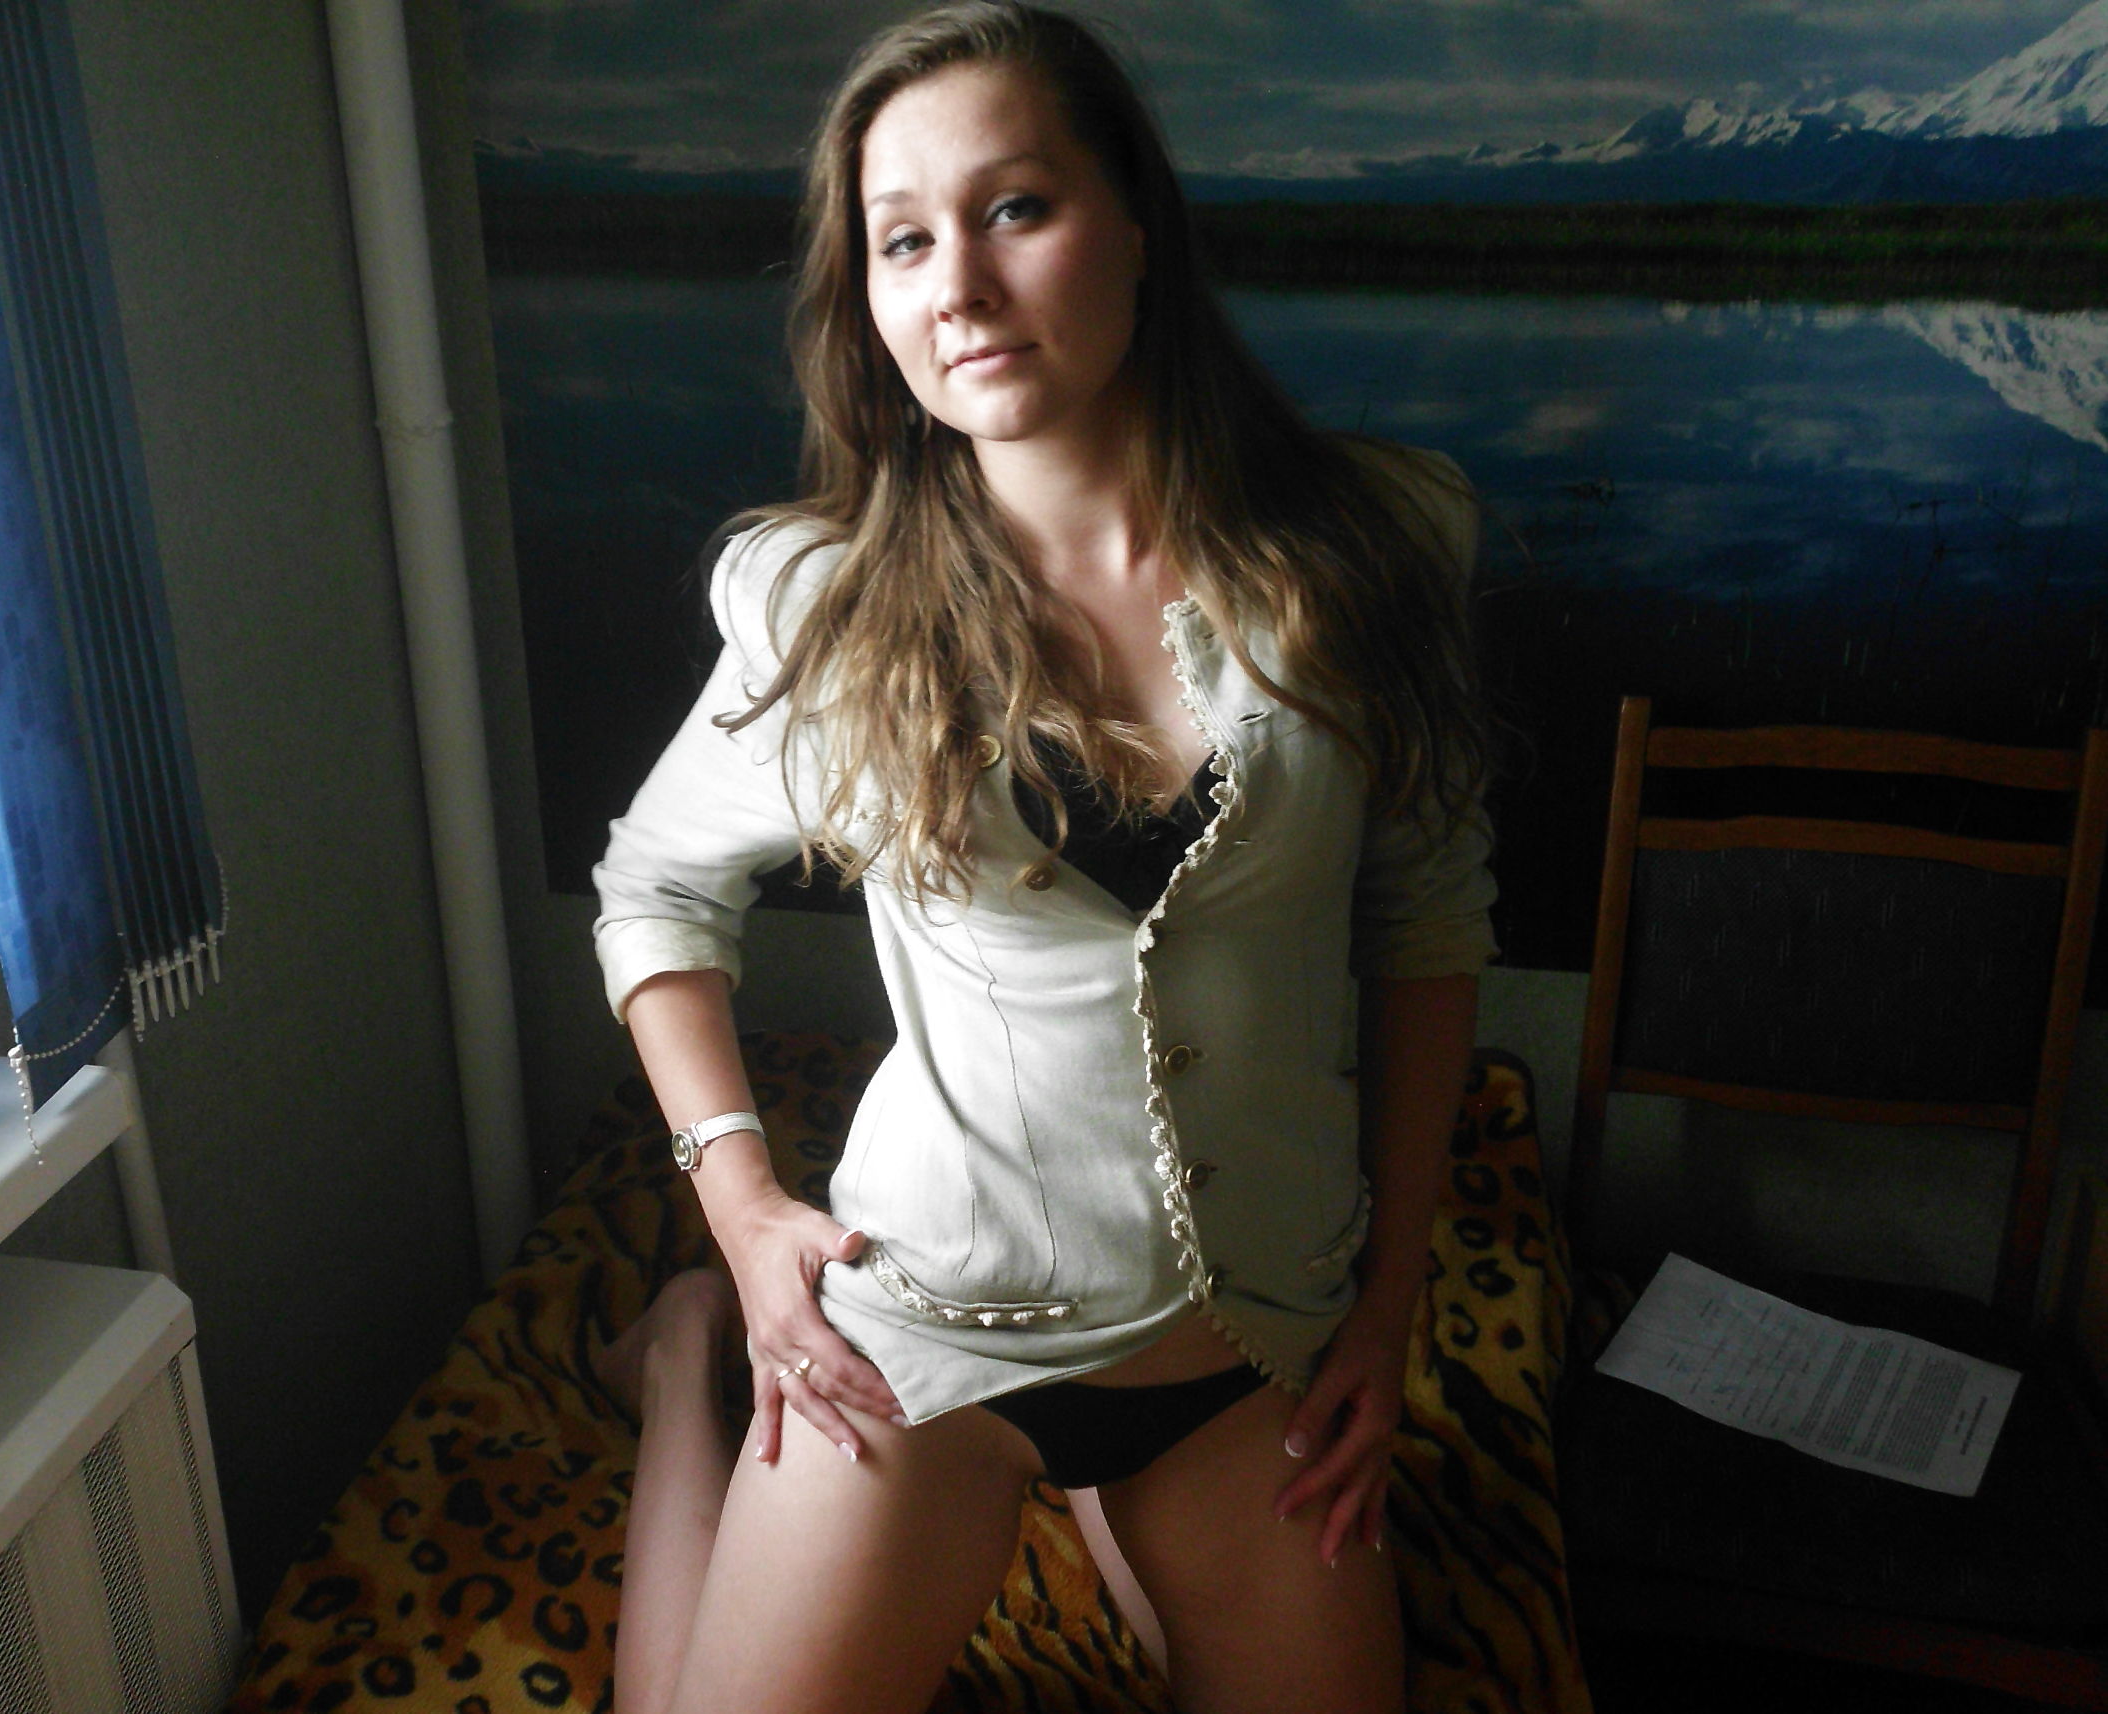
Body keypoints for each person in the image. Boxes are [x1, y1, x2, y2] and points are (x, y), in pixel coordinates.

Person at [585, 5, 1497, 1710]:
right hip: (928, 1330)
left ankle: (1108, 1504)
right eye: (902, 241)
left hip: (1253, 1339)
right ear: (867, 297)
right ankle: (682, 1357)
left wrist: (1385, 1309)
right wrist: (742, 1205)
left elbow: (1428, 926)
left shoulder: (1370, 549)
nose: (958, 285)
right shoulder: (824, 605)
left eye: (1014, 208)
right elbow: (654, 892)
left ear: (1135, 221)